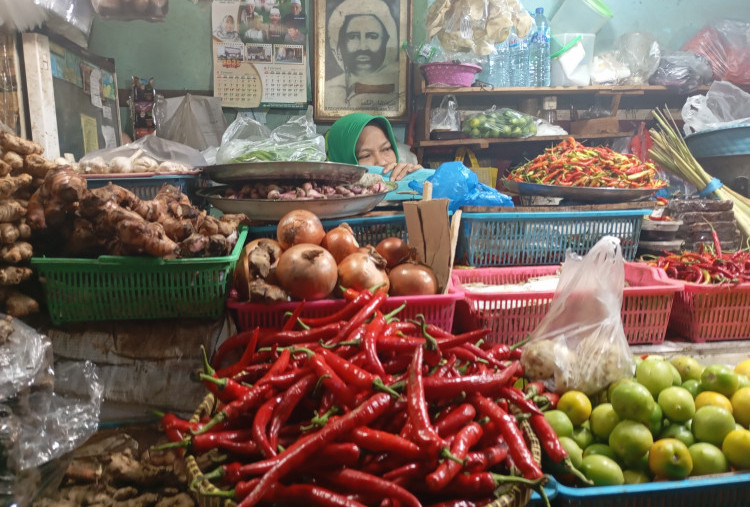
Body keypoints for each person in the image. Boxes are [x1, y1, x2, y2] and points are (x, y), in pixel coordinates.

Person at [324, 0, 400, 111]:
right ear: (341, 43)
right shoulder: (329, 89)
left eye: (372, 36)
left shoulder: (397, 92)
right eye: (353, 36)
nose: (363, 47)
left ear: (386, 41)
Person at [326, 112, 422, 182]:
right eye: (365, 155)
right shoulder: (328, 204)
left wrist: (418, 179)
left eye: (386, 149)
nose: (381, 162)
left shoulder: (404, 182)